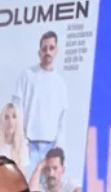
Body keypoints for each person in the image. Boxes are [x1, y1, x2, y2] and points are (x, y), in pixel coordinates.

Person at [13, 30, 69, 171]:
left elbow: (62, 121)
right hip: (28, 146)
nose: (47, 52)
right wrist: (22, 142)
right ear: (39, 52)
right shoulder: (27, 75)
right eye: (44, 49)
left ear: (56, 51)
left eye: (51, 48)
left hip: (50, 149)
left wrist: (58, 151)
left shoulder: (60, 84)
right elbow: (16, 109)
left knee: (45, 186)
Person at [0, 102, 31, 175]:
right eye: (6, 117)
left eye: (14, 116)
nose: (10, 121)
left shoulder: (23, 147)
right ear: (2, 121)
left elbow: (22, 177)